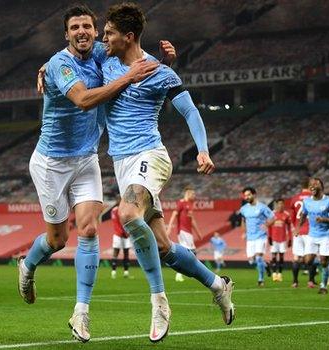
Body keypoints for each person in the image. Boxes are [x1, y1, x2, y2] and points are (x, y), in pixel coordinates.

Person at [17, 5, 167, 343]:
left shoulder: (101, 51)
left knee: (87, 229)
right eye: (74, 27)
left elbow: (134, 54)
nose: (82, 31)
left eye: (87, 26)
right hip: (51, 163)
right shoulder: (60, 64)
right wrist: (126, 78)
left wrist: (167, 59)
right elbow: (83, 100)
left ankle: (80, 314)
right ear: (66, 34)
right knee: (57, 240)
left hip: (86, 159)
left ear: (96, 31)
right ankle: (27, 266)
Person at [101, 3, 234, 341]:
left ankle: (159, 301)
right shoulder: (105, 63)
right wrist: (47, 67)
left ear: (128, 36)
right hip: (121, 163)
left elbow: (189, 111)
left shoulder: (162, 74)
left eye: (110, 33)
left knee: (127, 213)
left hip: (151, 155)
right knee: (162, 247)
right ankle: (217, 284)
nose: (104, 38)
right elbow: (74, 56)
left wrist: (203, 149)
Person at [299, 178, 329, 295]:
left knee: (324, 262)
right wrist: (298, 228)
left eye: (315, 184)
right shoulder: (306, 201)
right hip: (312, 235)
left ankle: (324, 286)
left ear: (321, 186)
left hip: (326, 236)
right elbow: (303, 215)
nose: (312, 186)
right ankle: (318, 268)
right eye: (310, 185)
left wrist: (323, 219)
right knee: (307, 260)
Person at [240, 187, 274, 287]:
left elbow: (272, 217)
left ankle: (260, 279)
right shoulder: (243, 209)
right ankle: (266, 265)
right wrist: (244, 232)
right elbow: (243, 221)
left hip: (261, 236)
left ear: (254, 195)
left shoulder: (262, 207)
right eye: (245, 195)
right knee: (251, 261)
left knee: (259, 257)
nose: (246, 197)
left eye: (248, 195)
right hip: (250, 237)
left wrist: (266, 225)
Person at [167, 185, 202, 282]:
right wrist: (169, 228)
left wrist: (198, 232)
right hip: (183, 231)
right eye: (193, 193)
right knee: (191, 252)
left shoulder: (190, 204)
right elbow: (174, 214)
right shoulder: (181, 203)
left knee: (191, 253)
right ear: (188, 193)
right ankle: (182, 274)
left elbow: (192, 219)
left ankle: (186, 273)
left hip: (189, 232)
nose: (194, 195)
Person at [289, 178, 311, 288]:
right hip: (310, 231)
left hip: (298, 231)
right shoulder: (313, 198)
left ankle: (295, 282)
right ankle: (310, 281)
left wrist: (296, 228)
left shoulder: (295, 199)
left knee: (297, 257)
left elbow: (292, 217)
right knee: (310, 256)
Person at [268, 199, 291, 282]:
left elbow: (289, 227)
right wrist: (269, 237)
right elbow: (269, 226)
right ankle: (274, 274)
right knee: (274, 256)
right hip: (274, 239)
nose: (281, 205)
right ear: (276, 205)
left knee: (281, 257)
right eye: (279, 204)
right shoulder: (272, 214)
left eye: (282, 204)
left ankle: (280, 274)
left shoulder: (286, 214)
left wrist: (290, 239)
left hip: (283, 239)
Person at [110, 199, 131, 279]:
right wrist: (124, 233)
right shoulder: (115, 210)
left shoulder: (124, 210)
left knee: (126, 253)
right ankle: (114, 271)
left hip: (124, 235)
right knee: (116, 252)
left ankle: (125, 272)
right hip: (119, 235)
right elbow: (117, 223)